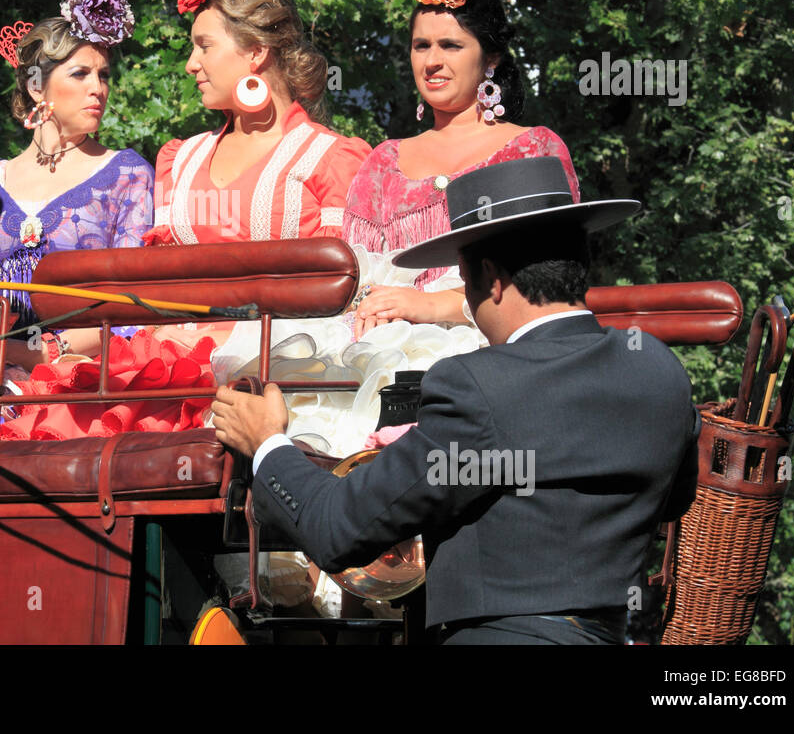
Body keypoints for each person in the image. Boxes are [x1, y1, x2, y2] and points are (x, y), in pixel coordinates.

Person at [212, 156, 700, 644]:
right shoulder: (659, 370)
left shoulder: (476, 383)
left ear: (490, 278)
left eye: (464, 281)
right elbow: (674, 498)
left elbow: (338, 529)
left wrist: (269, 442)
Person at [0, 0, 155, 438]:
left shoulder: (128, 174)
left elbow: (129, 307)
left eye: (104, 75)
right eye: (81, 74)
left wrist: (41, 352)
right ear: (36, 86)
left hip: (82, 366)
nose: (98, 89)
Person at [344, 0, 579, 340]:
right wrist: (379, 307)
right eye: (422, 46)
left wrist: (438, 305)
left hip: (498, 347)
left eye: (451, 45)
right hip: (384, 346)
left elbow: (551, 278)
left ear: (491, 60)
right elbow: (353, 280)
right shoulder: (383, 162)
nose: (432, 61)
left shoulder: (533, 148)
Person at [146, 0, 371, 247]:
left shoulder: (331, 158)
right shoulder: (180, 160)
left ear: (256, 51)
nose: (191, 64)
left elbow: (347, 274)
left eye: (205, 46)